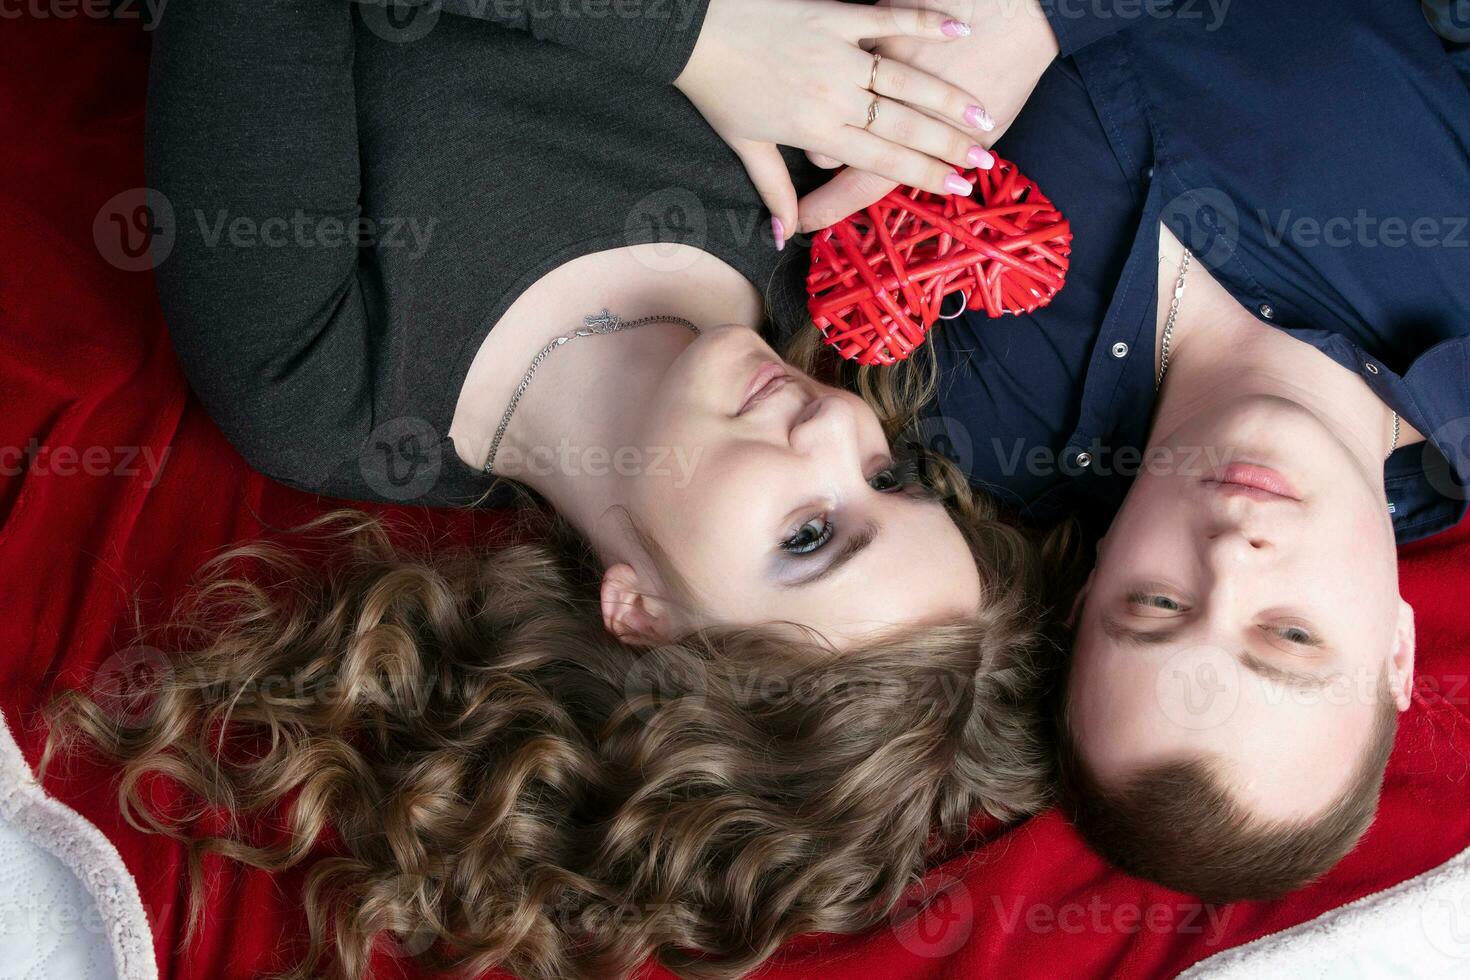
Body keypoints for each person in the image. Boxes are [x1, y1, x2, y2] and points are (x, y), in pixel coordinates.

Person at [44, 2, 1076, 979]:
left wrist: (695, 33)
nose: (834, 427)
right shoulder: (825, 226)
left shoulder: (322, 379)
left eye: (811, 533)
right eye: (887, 475)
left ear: (645, 612)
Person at [798, 0, 1470, 901]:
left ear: (1089, 589)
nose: (1232, 558)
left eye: (1157, 604)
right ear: (1397, 646)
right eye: (1290, 634)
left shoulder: (971, 410)